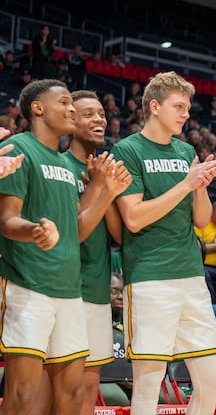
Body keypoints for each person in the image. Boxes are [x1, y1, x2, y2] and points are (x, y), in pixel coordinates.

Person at [0, 79, 127, 414]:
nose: (72, 109)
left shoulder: (61, 164)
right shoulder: (19, 150)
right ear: (38, 108)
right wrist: (34, 230)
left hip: (70, 291)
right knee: (22, 394)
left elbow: (76, 229)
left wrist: (105, 192)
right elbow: (8, 220)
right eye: (66, 103)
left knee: (72, 394)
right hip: (29, 285)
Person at [111, 71, 216, 415]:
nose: (186, 114)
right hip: (149, 276)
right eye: (178, 106)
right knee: (148, 383)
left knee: (212, 380)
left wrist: (200, 185)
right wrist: (187, 185)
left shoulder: (186, 149)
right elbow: (133, 217)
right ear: (155, 106)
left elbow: (202, 220)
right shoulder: (127, 150)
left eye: (188, 108)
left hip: (191, 274)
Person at [64, 90, 129, 415]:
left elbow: (118, 235)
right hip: (65, 290)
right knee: (64, 385)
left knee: (90, 385)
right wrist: (97, 187)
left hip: (98, 289)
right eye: (89, 114)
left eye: (102, 114)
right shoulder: (60, 165)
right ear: (69, 119)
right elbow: (73, 232)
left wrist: (107, 187)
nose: (99, 120)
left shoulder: (107, 169)